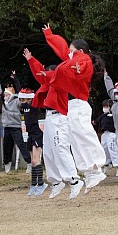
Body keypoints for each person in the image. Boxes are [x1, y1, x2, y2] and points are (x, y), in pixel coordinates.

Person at [43, 24, 107, 193]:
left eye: (72, 51)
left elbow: (83, 66)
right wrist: (49, 35)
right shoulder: (72, 59)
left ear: (80, 50)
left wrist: (78, 70)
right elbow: (62, 48)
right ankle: (89, 171)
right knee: (76, 140)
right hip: (73, 107)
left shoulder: (83, 59)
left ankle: (97, 167)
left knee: (84, 135)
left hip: (78, 105)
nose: (69, 53)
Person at [24, 48, 83, 199]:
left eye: (47, 73)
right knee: (49, 151)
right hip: (50, 117)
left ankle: (74, 180)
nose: (44, 75)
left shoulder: (61, 82)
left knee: (61, 148)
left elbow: (56, 74)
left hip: (59, 118)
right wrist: (31, 60)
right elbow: (41, 75)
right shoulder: (49, 84)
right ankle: (56, 182)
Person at [0, 72, 32, 174]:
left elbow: (20, 92)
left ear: (11, 95)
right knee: (7, 146)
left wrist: (15, 79)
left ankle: (29, 163)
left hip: (15, 127)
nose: (5, 96)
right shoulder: (3, 103)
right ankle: (7, 164)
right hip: (7, 127)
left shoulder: (16, 101)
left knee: (21, 145)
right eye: (5, 94)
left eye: (7, 94)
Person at [18, 87, 48, 197]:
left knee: (36, 161)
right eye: (21, 100)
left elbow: (38, 94)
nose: (22, 102)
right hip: (30, 135)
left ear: (29, 99)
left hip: (37, 135)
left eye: (24, 100)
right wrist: (15, 79)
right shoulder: (24, 108)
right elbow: (19, 92)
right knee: (32, 162)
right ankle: (33, 185)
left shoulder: (34, 105)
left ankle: (41, 184)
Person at [93, 99, 118, 176]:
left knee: (112, 149)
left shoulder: (114, 114)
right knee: (104, 149)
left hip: (112, 134)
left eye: (106, 106)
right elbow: (97, 120)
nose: (105, 108)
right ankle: (107, 164)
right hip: (105, 134)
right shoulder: (103, 115)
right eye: (104, 106)